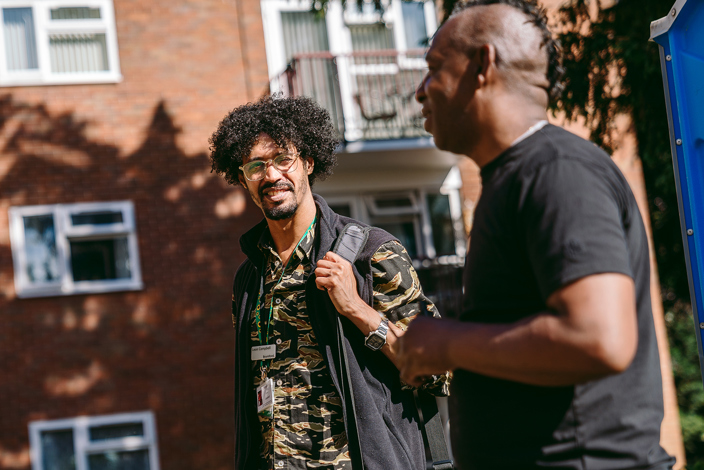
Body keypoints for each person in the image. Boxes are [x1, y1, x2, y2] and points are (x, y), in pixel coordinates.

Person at [396, 0, 676, 468]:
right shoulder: (515, 177)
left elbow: (598, 337)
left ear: (482, 65)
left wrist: (446, 342)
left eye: (434, 68)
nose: (421, 92)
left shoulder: (557, 171)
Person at [209, 96, 450, 469]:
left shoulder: (373, 254)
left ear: (307, 162)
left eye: (282, 159)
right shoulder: (249, 277)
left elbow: (441, 370)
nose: (271, 176)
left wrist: (356, 308)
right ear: (242, 178)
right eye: (256, 166)